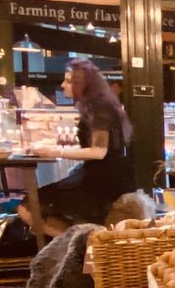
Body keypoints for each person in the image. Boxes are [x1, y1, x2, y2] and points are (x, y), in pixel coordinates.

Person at [18, 59, 137, 237]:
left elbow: (99, 152)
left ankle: (85, 242)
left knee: (29, 207)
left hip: (104, 180)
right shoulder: (98, 105)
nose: (62, 84)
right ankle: (80, 242)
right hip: (108, 174)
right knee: (36, 205)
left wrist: (55, 152)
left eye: (68, 80)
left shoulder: (98, 109)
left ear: (81, 84)